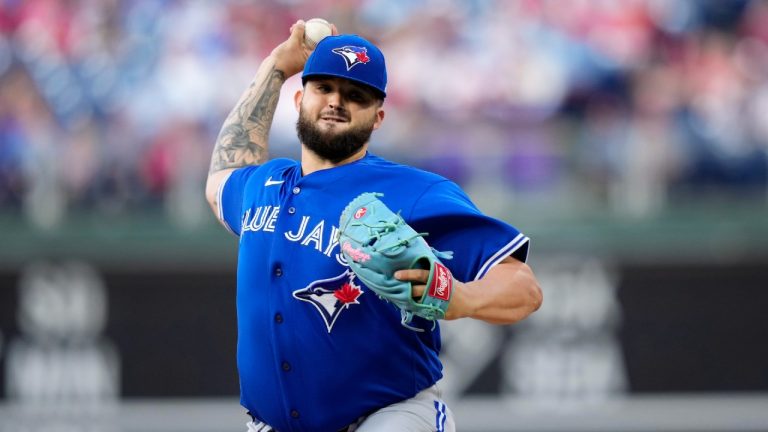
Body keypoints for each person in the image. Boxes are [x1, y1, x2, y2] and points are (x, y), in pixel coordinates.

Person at [205, 20, 542, 432]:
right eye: (324, 88)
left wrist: (461, 298)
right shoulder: (262, 185)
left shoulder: (414, 191)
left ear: (377, 116)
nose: (335, 101)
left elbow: (524, 287)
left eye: (355, 95)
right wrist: (276, 66)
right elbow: (224, 172)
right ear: (299, 98)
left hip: (389, 416)